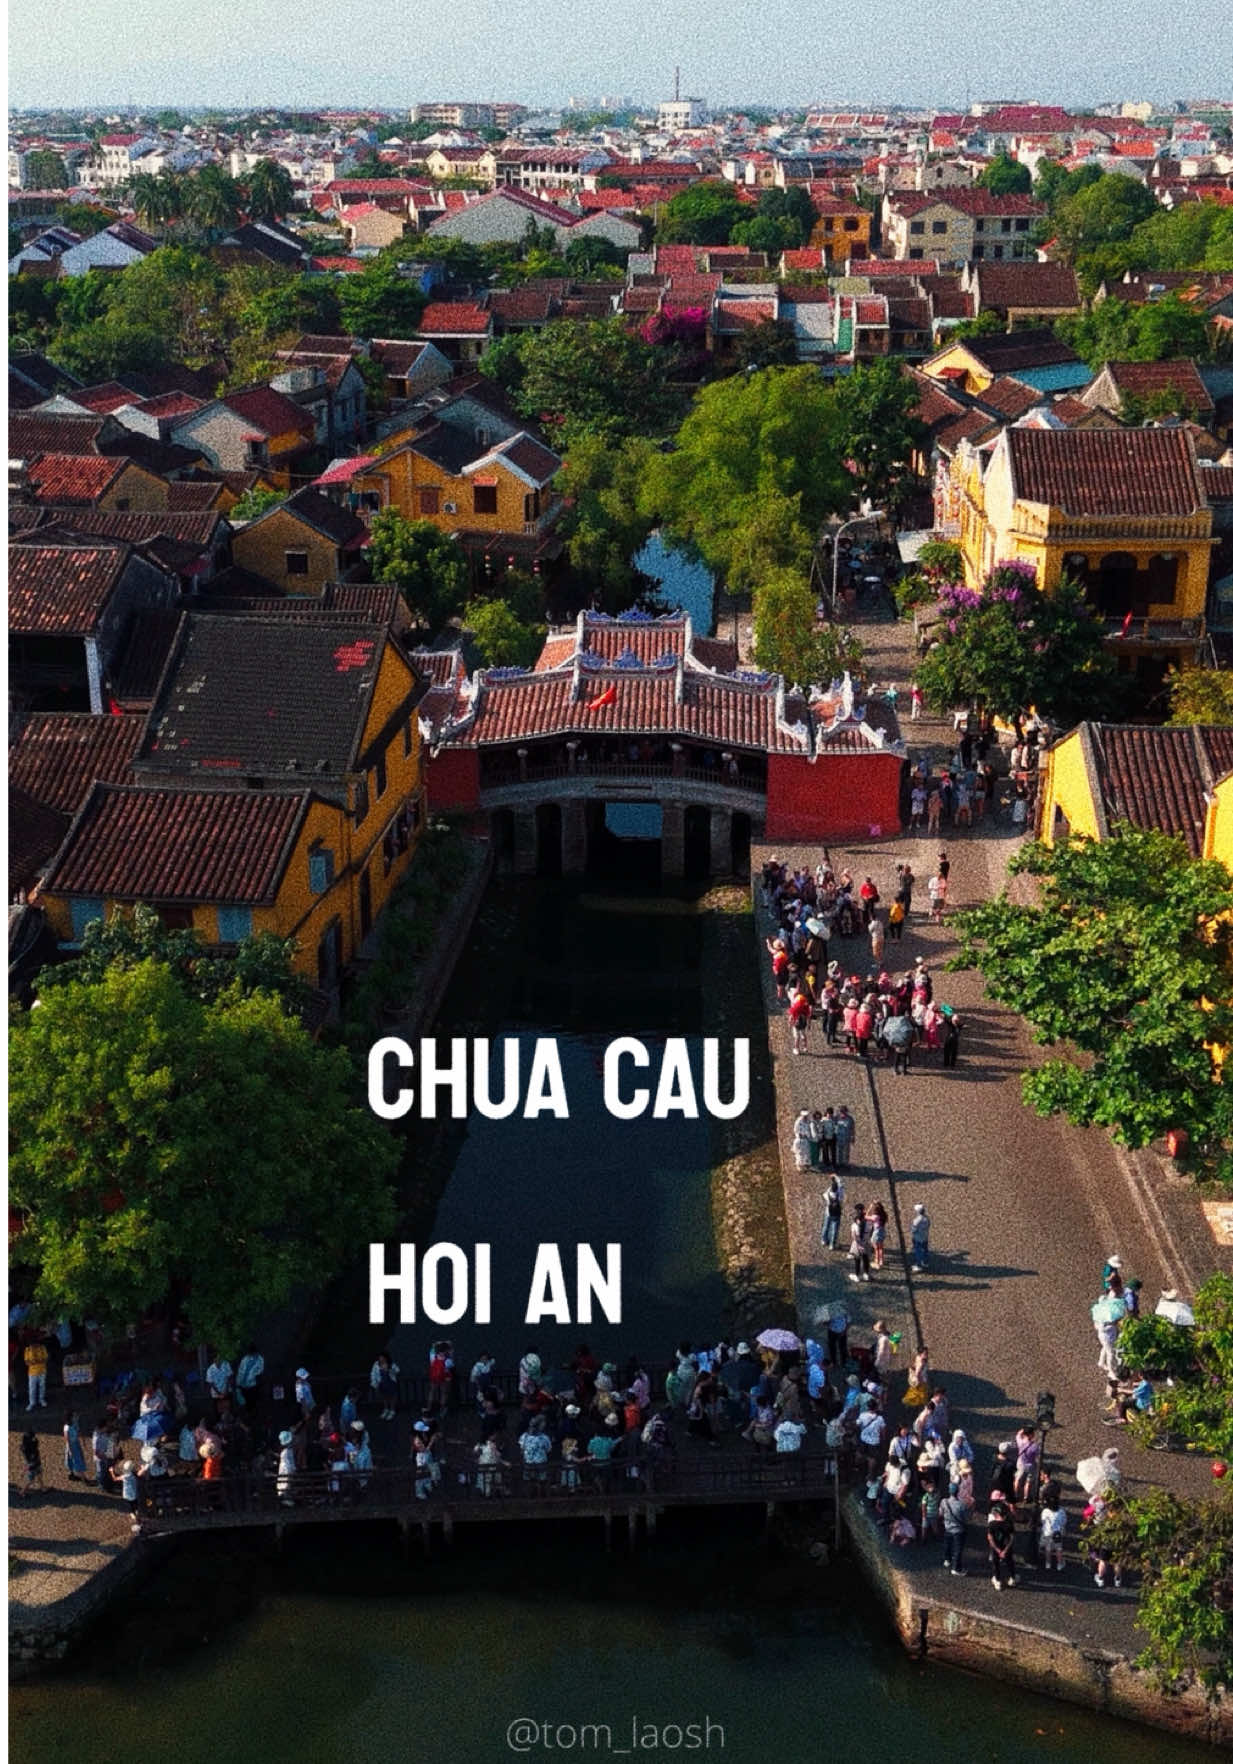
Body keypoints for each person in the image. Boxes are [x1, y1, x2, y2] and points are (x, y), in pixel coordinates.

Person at [986, 1501, 1016, 1590]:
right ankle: (1012, 1578)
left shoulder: (992, 1524)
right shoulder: (1009, 1524)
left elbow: (990, 1538)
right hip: (1006, 1547)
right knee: (1010, 1562)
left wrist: (997, 1549)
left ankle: (997, 1580)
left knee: (996, 1563)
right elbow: (1012, 1538)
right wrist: (1005, 1550)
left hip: (996, 1547)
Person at [940, 1485, 968, 1573]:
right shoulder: (961, 1505)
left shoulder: (944, 1502)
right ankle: (956, 1568)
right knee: (958, 1549)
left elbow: (940, 1513)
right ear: (957, 1492)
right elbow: (965, 1518)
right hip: (958, 1530)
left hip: (947, 1528)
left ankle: (947, 1560)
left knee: (947, 1545)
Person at [111, 1453, 141, 1532]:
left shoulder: (125, 1477)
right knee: (136, 1505)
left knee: (130, 1508)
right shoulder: (134, 1475)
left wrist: (111, 1471)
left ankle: (135, 1519)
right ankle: (138, 1515)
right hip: (135, 1493)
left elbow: (115, 1479)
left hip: (127, 1495)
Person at [1039, 1492, 1068, 1571]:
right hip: (1057, 1533)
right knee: (1058, 1549)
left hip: (1047, 1532)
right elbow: (1064, 1521)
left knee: (1048, 1548)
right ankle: (1059, 1564)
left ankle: (1048, 1563)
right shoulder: (1061, 1511)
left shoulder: (1045, 1511)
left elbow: (1042, 1521)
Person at [1014, 1425, 1040, 1504]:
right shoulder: (1035, 1446)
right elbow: (1037, 1455)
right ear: (1032, 1435)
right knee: (1028, 1482)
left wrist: (1023, 1430)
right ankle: (1026, 1497)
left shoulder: (1020, 1441)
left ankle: (1015, 1495)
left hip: (1021, 1464)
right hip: (1031, 1465)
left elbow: (1018, 1434)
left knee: (1018, 1479)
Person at [371, 1351, 400, 1422]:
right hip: (381, 1383)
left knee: (392, 1397)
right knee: (384, 1397)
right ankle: (386, 1409)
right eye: (380, 1358)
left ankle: (392, 1410)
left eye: (382, 1358)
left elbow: (397, 1370)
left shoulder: (391, 1364)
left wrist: (389, 1369)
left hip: (390, 1383)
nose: (381, 1359)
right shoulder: (376, 1364)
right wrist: (374, 1383)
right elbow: (373, 1374)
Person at [235, 1344, 264, 1410]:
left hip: (252, 1385)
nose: (250, 1354)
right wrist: (238, 1383)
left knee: (252, 1403)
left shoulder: (259, 1359)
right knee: (244, 1404)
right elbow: (240, 1371)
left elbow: (260, 1372)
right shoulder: (245, 1359)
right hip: (242, 1385)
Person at [848, 1204, 872, 1284]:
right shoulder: (869, 1223)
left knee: (857, 1260)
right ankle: (866, 1274)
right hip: (866, 1242)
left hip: (858, 1244)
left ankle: (857, 1276)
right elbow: (871, 1231)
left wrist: (858, 1244)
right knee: (866, 1259)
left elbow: (853, 1236)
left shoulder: (854, 1225)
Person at [24, 1337, 48, 1410]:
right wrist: (34, 1362)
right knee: (32, 1388)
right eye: (32, 1345)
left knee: (42, 1386)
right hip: (32, 1372)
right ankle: (32, 1402)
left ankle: (41, 1400)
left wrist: (38, 1361)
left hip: (42, 1371)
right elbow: (26, 1362)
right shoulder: (27, 1350)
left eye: (34, 1344)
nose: (33, 1346)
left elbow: (46, 1358)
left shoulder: (42, 1348)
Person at [822, 1174, 844, 1250]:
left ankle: (824, 1240)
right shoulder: (840, 1194)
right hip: (837, 1213)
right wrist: (836, 1176)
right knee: (834, 1229)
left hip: (828, 1212)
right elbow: (841, 1184)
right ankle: (832, 1244)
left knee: (826, 1226)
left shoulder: (827, 1194)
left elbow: (824, 1194)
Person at [62, 1409, 86, 1481]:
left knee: (72, 1459)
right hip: (72, 1446)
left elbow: (79, 1431)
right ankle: (83, 1478)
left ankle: (71, 1474)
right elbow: (67, 1439)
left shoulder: (75, 1423)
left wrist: (82, 1440)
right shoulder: (67, 1427)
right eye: (74, 1416)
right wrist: (69, 1449)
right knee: (77, 1460)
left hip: (76, 1443)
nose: (76, 1416)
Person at [19, 1428, 43, 1496]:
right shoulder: (27, 1448)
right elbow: (30, 1459)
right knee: (31, 1480)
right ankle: (22, 1492)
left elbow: (36, 1444)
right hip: (32, 1464)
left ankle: (43, 1488)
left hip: (36, 1462)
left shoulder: (28, 1445)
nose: (34, 1438)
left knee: (40, 1474)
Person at [910, 1203, 931, 1271]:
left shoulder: (917, 1220)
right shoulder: (927, 1218)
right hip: (925, 1237)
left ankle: (918, 1265)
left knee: (918, 1251)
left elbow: (913, 1229)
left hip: (918, 1238)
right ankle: (925, 1262)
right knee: (925, 1250)